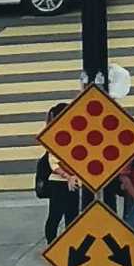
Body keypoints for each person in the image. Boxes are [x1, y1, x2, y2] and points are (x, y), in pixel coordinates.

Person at [35, 104, 82, 243]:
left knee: (72, 216)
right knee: (55, 215)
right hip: (58, 183)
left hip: (73, 182)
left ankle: (71, 243)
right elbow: (54, 163)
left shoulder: (72, 134)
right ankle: (51, 243)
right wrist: (69, 176)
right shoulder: (55, 136)